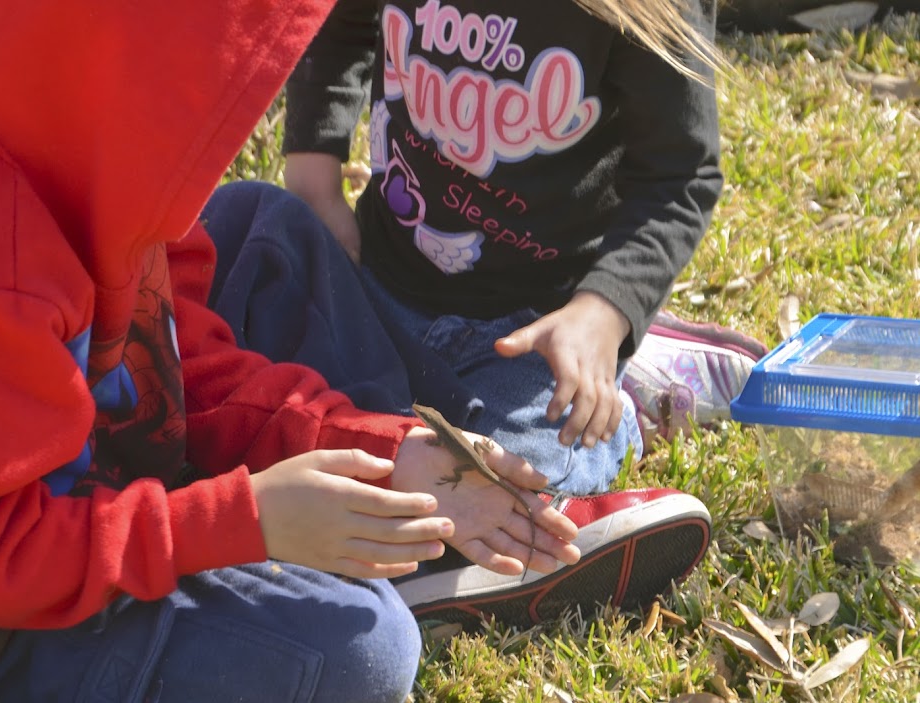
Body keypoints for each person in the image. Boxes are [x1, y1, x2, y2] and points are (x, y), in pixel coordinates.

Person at [0, 0, 717, 700]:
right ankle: (426, 547)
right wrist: (248, 519)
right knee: (364, 646)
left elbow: (179, 370)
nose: (210, 140)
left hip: (91, 497)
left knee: (255, 228)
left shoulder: (76, 131)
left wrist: (388, 452)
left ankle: (423, 514)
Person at [280, 0, 768, 497]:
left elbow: (679, 178)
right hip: (381, 287)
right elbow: (335, 21)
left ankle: (618, 397)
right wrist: (313, 174)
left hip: (542, 337)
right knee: (286, 404)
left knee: (494, 481)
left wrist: (604, 310)